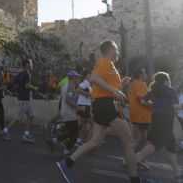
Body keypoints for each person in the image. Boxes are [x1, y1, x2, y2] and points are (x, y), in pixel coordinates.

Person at [56, 40, 140, 183]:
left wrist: (121, 85)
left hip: (103, 105)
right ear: (110, 49)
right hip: (105, 105)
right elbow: (94, 78)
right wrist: (115, 90)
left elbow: (108, 86)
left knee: (95, 141)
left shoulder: (111, 66)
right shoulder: (104, 62)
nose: (118, 51)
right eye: (116, 49)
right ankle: (135, 178)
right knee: (128, 140)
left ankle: (66, 163)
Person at [135, 72, 182, 181]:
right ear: (166, 80)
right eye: (168, 79)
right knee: (154, 144)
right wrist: (181, 106)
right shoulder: (171, 91)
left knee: (170, 147)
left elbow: (142, 101)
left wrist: (153, 105)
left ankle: (177, 172)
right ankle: (135, 160)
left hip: (156, 118)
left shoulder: (153, 90)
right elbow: (174, 107)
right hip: (166, 120)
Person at [6, 58, 38, 143]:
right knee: (18, 118)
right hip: (24, 99)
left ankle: (26, 134)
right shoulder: (26, 74)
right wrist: (34, 88)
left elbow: (15, 83)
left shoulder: (20, 73)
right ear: (27, 65)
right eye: (30, 63)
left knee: (31, 116)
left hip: (25, 98)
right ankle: (5, 131)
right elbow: (27, 86)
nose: (31, 65)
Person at [57, 71, 81, 155]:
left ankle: (56, 140)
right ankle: (66, 150)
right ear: (73, 78)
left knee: (70, 132)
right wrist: (77, 107)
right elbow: (68, 99)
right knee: (74, 133)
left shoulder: (65, 85)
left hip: (66, 111)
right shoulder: (70, 86)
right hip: (69, 113)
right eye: (77, 77)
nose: (78, 79)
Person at [129, 69, 152, 155]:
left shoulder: (133, 84)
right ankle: (131, 158)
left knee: (139, 139)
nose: (146, 74)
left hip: (135, 114)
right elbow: (142, 100)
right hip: (142, 115)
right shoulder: (140, 84)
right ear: (140, 74)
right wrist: (155, 105)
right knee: (141, 139)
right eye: (144, 72)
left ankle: (134, 158)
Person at [76, 72, 92, 146]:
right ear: (86, 76)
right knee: (83, 123)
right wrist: (88, 94)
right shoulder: (85, 83)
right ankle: (79, 139)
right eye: (89, 75)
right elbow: (78, 90)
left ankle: (81, 140)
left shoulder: (89, 85)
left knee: (84, 124)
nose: (91, 76)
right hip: (83, 105)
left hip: (86, 105)